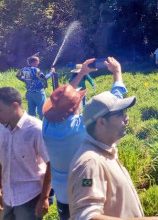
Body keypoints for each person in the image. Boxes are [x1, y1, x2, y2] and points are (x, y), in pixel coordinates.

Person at [67, 58, 158, 220]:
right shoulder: (90, 163)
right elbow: (85, 216)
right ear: (101, 122)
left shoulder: (104, 151)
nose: (127, 118)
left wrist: (117, 74)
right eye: (120, 114)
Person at [42, 58, 113, 220]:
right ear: (76, 107)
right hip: (84, 193)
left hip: (62, 196)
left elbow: (60, 102)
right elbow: (110, 106)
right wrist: (117, 75)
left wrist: (81, 73)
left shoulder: (46, 126)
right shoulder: (80, 126)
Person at [0, 86, 52, 219]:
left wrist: (44, 197)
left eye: (0, 110)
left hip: (30, 196)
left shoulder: (35, 129)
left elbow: (52, 164)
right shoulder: (1, 128)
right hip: (7, 195)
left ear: (15, 106)